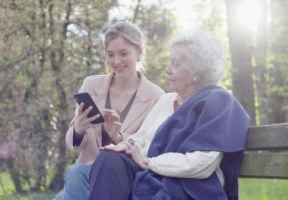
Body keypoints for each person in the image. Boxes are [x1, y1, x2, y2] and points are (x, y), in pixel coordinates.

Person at [89, 28, 250, 200]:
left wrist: (150, 163)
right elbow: (143, 137)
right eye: (170, 63)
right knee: (109, 159)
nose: (168, 70)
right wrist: (127, 145)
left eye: (176, 64)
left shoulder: (218, 101)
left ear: (197, 71)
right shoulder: (166, 100)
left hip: (190, 185)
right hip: (154, 175)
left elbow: (202, 164)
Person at [55, 21, 165, 200]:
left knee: (72, 179)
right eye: (110, 54)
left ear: (139, 52)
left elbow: (149, 149)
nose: (116, 61)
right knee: (76, 174)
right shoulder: (91, 84)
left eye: (123, 53)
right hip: (86, 175)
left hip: (122, 179)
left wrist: (118, 137)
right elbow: (73, 144)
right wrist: (78, 129)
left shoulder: (156, 96)